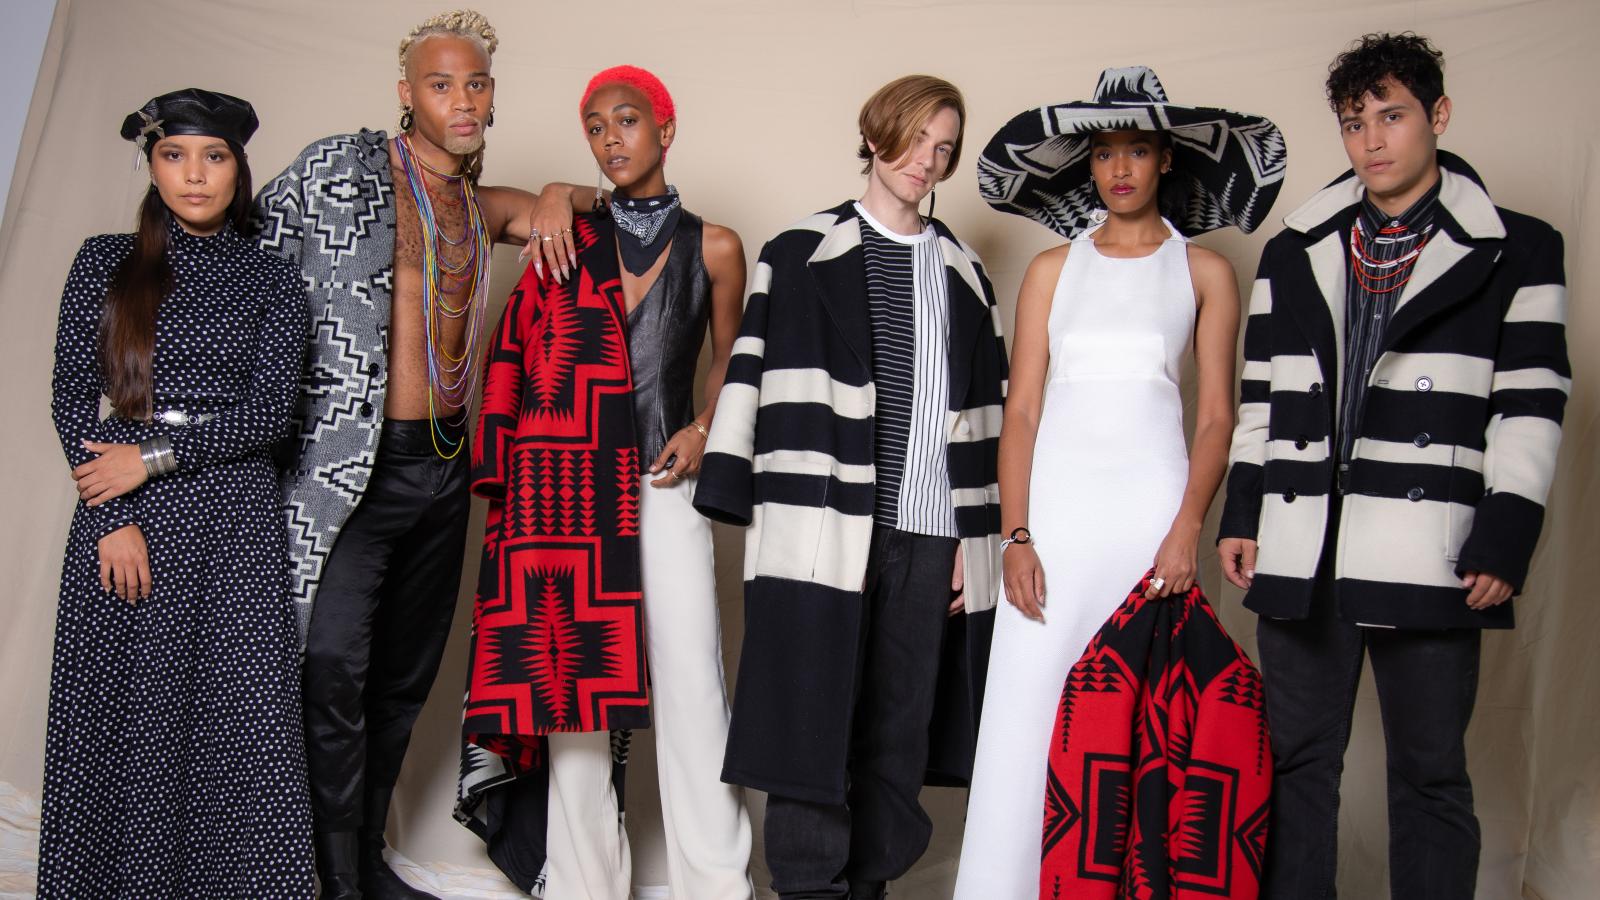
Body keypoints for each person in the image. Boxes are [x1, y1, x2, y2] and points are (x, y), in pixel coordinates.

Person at [1216, 33, 1570, 899]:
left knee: (1430, 774)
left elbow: (1531, 402)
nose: (1372, 140)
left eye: (1392, 116)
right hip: (1305, 543)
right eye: (1353, 123)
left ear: (1437, 116)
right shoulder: (1293, 248)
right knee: (1297, 766)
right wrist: (1243, 513)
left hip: (1433, 542)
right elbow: (1260, 398)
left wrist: (1505, 535)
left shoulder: (1518, 248)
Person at [252, 10, 590, 898]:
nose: (464, 99)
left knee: (401, 679)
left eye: (477, 84)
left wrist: (558, 187)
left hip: (443, 469)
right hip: (350, 467)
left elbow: (609, 204)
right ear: (407, 96)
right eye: (442, 85)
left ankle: (363, 863)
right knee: (329, 667)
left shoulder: (482, 210)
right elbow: (239, 250)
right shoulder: (339, 173)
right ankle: (324, 876)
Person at [957, 65, 1285, 899]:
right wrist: (1015, 537)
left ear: (1167, 159)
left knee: (1142, 714)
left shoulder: (1206, 270)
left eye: (1138, 150)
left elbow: (1217, 417)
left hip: (1152, 511)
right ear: (1088, 164)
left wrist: (1186, 530)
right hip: (1054, 515)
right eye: (1105, 153)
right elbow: (1021, 411)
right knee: (1029, 701)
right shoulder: (1049, 271)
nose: (1121, 169)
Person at [693, 74, 1008, 900]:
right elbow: (749, 368)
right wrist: (729, 482)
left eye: (944, 149)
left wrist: (978, 537)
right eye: (916, 141)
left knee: (899, 722)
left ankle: (869, 885)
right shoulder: (800, 251)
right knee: (811, 711)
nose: (927, 162)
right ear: (876, 135)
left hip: (931, 527)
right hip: (822, 517)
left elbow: (986, 412)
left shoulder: (967, 271)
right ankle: (807, 887)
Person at [458, 64, 755, 900]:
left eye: (627, 120)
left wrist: (704, 430)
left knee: (693, 685)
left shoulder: (718, 245)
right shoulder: (562, 233)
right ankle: (584, 883)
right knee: (572, 696)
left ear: (666, 127)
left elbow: (733, 364)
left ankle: (717, 884)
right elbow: (463, 218)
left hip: (664, 485)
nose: (610, 139)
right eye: (594, 127)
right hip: (563, 488)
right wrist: (557, 192)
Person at [40, 88, 313, 897]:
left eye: (214, 156)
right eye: (175, 155)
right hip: (123, 519)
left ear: (238, 166)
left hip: (233, 520)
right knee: (125, 715)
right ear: (152, 166)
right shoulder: (103, 261)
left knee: (236, 720)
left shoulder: (271, 279)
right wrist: (116, 514)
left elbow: (267, 417)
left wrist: (151, 457)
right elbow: (68, 400)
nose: (195, 175)